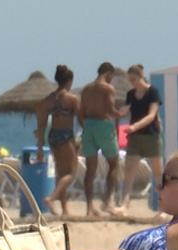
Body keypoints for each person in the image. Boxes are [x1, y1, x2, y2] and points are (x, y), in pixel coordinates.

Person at [34, 65, 81, 215]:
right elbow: (82, 121)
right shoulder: (72, 99)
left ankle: (64, 210)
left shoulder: (48, 100)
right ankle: (52, 198)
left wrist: (40, 148)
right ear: (69, 81)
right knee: (71, 173)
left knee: (61, 174)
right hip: (66, 136)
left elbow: (41, 126)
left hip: (53, 136)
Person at [115, 64, 163, 214]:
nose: (132, 82)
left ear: (141, 76)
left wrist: (134, 126)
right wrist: (119, 112)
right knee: (129, 173)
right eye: (130, 80)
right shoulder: (130, 94)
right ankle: (124, 205)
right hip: (135, 138)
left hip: (151, 136)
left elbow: (151, 115)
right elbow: (127, 109)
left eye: (134, 79)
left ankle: (164, 208)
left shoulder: (152, 92)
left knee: (158, 174)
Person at [80, 62, 122, 216]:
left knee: (90, 169)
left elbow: (82, 112)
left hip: (88, 125)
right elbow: (111, 110)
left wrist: (87, 126)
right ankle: (107, 201)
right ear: (108, 73)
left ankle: (89, 208)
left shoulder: (86, 89)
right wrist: (121, 113)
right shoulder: (107, 88)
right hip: (103, 125)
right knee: (114, 164)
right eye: (112, 76)